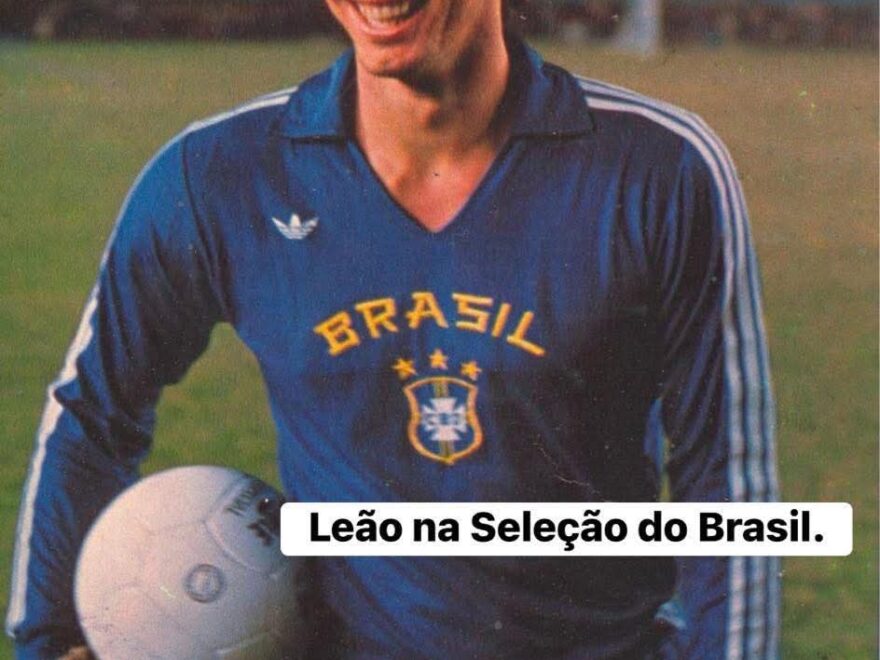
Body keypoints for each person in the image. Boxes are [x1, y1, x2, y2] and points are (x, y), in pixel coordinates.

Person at [6, 0, 780, 658]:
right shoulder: (220, 177)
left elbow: (728, 476)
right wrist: (47, 638)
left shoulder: (661, 171)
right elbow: (92, 410)